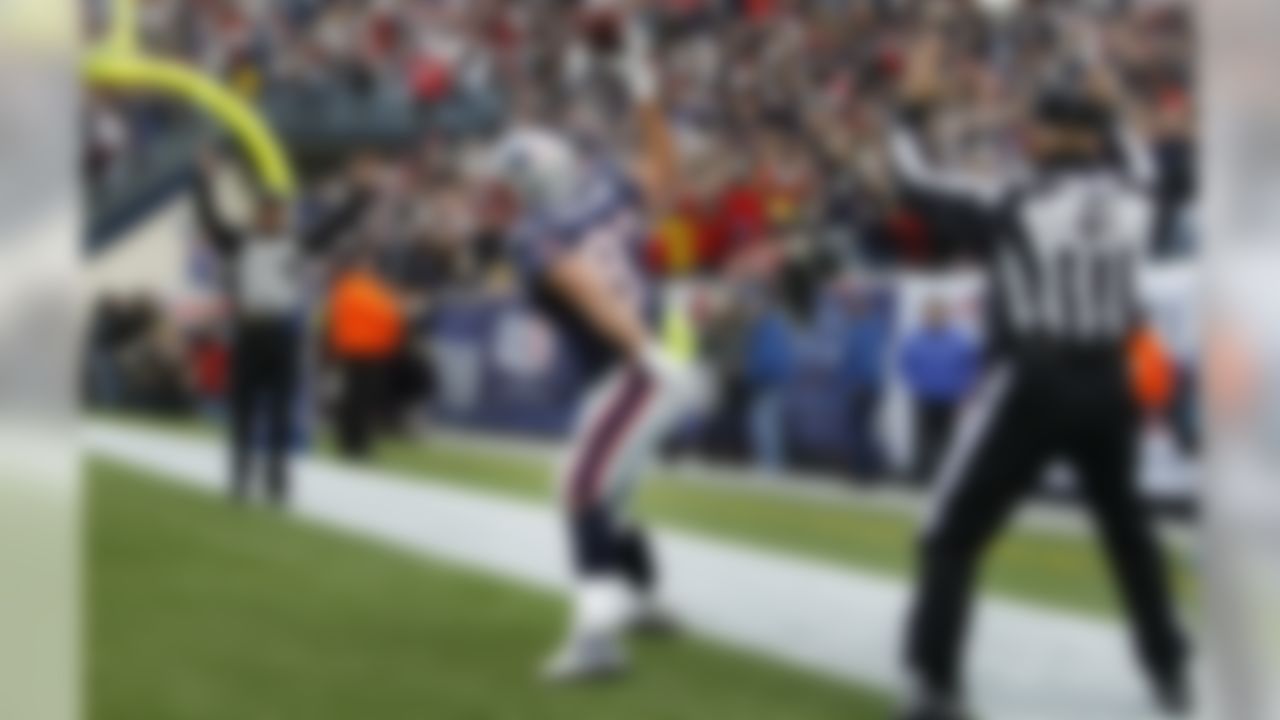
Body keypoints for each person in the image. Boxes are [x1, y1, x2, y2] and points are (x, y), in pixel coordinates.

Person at [892, 33, 1189, 720]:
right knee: (1128, 532)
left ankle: (935, 683)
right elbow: (1145, 158)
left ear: (1052, 134)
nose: (1028, 136)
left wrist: (910, 115)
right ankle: (1169, 665)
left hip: (1034, 378)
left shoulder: (1019, 200)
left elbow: (912, 180)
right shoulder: (1138, 194)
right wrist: (1111, 105)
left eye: (1038, 126)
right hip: (1108, 384)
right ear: (1095, 139)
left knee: (950, 532)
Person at [480, 15, 701, 682]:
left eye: (509, 188)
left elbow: (585, 289)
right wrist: (642, 86)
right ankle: (649, 603)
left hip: (637, 366)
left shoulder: (535, 237)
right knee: (605, 494)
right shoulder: (604, 185)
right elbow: (666, 170)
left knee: (578, 488)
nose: (503, 200)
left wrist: (644, 352)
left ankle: (596, 640)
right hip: (651, 359)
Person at [194, 149, 375, 507]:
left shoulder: (295, 245)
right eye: (266, 211)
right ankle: (240, 481)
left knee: (279, 414)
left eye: (277, 212)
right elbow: (211, 222)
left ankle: (277, 483)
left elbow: (335, 224)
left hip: (281, 335)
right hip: (249, 333)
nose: (272, 217)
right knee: (243, 413)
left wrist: (361, 194)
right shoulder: (240, 243)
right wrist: (205, 180)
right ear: (257, 215)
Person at [899, 300, 979, 484]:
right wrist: (916, 383)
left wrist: (965, 390)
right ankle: (919, 475)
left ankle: (943, 478)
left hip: (949, 398)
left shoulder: (959, 341)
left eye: (938, 314)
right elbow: (906, 363)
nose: (934, 318)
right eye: (931, 314)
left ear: (945, 317)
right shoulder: (916, 339)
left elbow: (971, 367)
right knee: (922, 438)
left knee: (946, 441)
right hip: (924, 397)